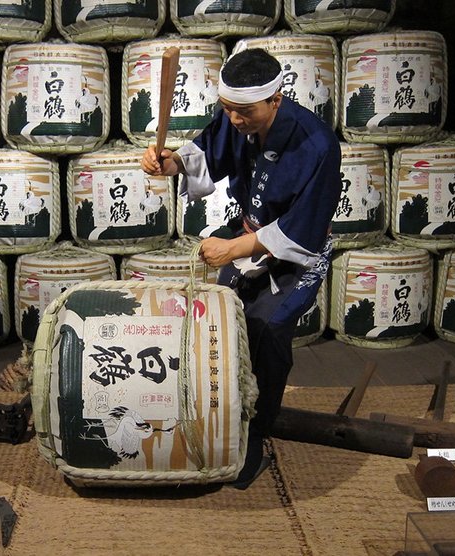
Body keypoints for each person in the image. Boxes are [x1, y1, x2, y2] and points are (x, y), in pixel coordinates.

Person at [141, 47, 342, 489]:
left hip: (297, 252)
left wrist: (232, 250)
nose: (235, 120)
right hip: (247, 233)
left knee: (266, 331)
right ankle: (218, 417)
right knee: (224, 325)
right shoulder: (238, 119)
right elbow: (207, 153)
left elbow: (303, 229)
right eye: (227, 109)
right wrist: (167, 162)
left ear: (276, 99)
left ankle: (255, 432)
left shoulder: (318, 144)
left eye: (244, 111)